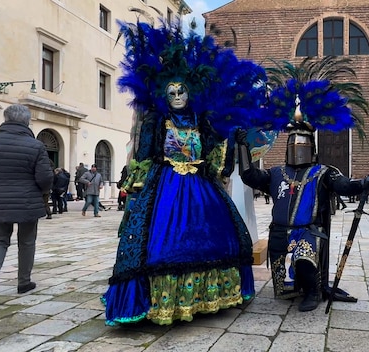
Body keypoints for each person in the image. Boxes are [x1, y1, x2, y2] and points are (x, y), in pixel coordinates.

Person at [102, 19, 264, 325]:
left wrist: (235, 137)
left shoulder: (200, 121)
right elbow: (146, 153)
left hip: (201, 187)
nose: (177, 97)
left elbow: (215, 146)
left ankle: (209, 296)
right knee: (161, 240)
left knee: (218, 236)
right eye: (172, 92)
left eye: (182, 92)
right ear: (165, 94)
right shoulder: (157, 121)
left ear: (191, 93)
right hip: (166, 186)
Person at [238, 56, 369, 312]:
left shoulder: (323, 172)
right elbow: (249, 177)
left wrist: (363, 183)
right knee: (282, 278)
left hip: (308, 231)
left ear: (311, 147)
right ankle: (295, 286)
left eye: (302, 144)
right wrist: (242, 147)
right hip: (280, 230)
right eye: (293, 143)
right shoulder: (276, 172)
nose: (297, 148)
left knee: (304, 259)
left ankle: (313, 290)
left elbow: (344, 186)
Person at [0, 104, 54, 306]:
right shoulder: (36, 146)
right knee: (27, 242)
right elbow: (45, 177)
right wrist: (40, 192)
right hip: (28, 202)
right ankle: (24, 282)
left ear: (6, 119)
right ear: (27, 121)